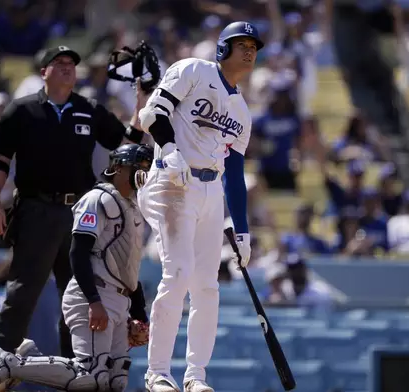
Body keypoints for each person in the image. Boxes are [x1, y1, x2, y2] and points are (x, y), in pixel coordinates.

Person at [0, 45, 149, 359]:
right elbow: (0, 160)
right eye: (58, 63)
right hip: (37, 209)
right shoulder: (21, 110)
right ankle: (1, 360)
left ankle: (74, 368)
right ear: (43, 71)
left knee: (76, 294)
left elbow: (127, 142)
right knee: (23, 289)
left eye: (71, 63)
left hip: (81, 213)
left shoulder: (89, 108)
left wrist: (140, 105)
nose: (67, 67)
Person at [137, 21, 263, 391]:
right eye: (242, 43)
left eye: (254, 46)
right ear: (223, 48)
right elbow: (152, 113)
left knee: (207, 286)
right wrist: (171, 150)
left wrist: (241, 229)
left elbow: (235, 174)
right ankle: (157, 373)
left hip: (210, 193)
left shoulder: (242, 112)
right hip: (173, 181)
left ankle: (195, 376)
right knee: (177, 275)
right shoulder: (193, 69)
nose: (250, 50)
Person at [0, 143, 154, 392]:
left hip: (119, 299)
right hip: (94, 292)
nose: (144, 175)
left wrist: (139, 316)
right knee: (90, 374)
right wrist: (93, 301)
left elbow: (130, 268)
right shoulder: (98, 199)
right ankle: (8, 363)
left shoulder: (134, 208)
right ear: (119, 168)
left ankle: (31, 356)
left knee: (115, 380)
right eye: (140, 167)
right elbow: (78, 252)